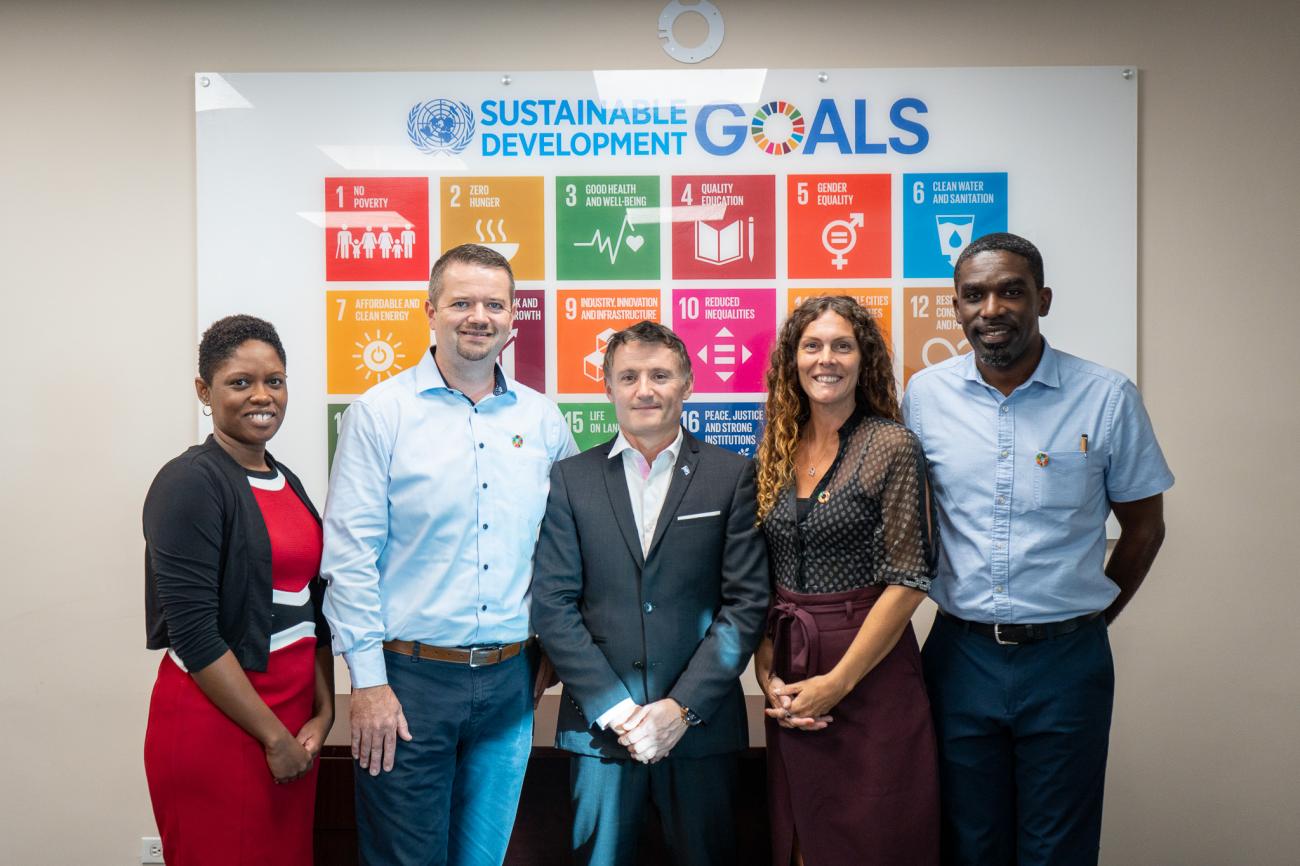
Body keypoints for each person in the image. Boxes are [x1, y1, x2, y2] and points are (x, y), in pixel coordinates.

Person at [903, 232, 1173, 866]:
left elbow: (1145, 528)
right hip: (959, 656)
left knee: (1058, 849)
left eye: (1011, 291)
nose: (991, 308)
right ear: (957, 307)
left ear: (1042, 300)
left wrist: (1090, 620)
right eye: (974, 295)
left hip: (1067, 663)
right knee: (968, 842)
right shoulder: (925, 397)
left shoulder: (1106, 397)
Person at [322, 243, 578, 866]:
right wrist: (370, 686)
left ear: (514, 317)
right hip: (408, 684)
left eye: (494, 304)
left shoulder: (544, 420)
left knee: (483, 857)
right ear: (429, 310)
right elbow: (351, 557)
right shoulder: (380, 415)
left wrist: (551, 652)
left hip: (510, 683)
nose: (478, 316)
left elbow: (567, 549)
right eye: (461, 302)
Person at [531, 321, 770, 866]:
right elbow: (554, 604)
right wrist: (616, 709)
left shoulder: (731, 476)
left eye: (660, 375)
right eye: (629, 376)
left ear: (687, 384)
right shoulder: (572, 478)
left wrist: (680, 710)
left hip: (700, 729)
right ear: (607, 387)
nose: (645, 389)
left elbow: (745, 603)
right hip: (600, 732)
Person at [754, 295, 940, 866]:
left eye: (842, 345)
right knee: (801, 840)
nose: (825, 359)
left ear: (865, 360)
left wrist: (838, 682)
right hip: (791, 667)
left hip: (872, 672)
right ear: (793, 359)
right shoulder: (778, 448)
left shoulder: (891, 444)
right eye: (812, 345)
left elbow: (908, 579)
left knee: (877, 837)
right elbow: (767, 571)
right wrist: (765, 670)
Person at [143, 314, 335, 865]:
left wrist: (322, 712)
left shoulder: (286, 478)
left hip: (293, 726)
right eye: (239, 382)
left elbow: (311, 607)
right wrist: (273, 737)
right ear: (204, 391)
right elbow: (195, 635)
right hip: (224, 728)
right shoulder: (188, 483)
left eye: (274, 381)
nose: (262, 396)